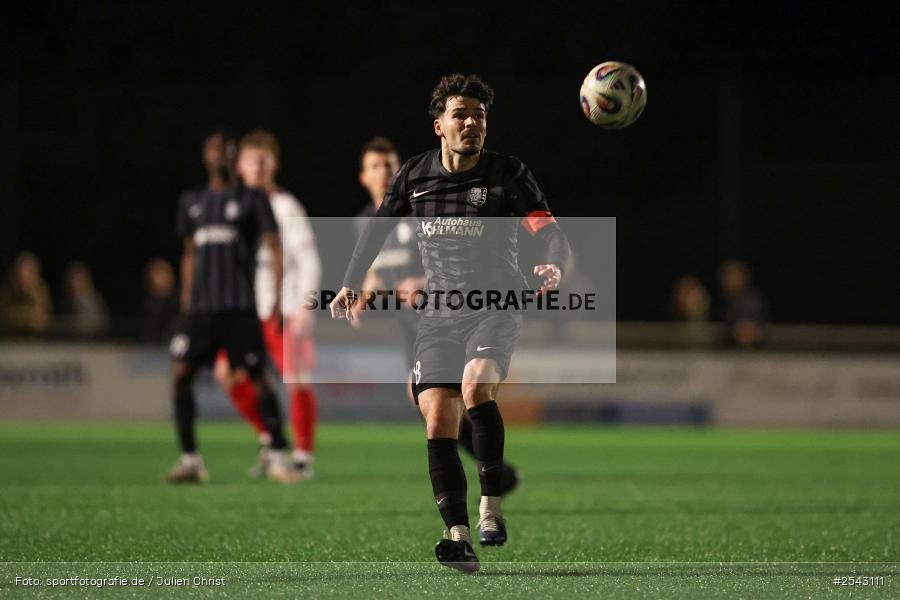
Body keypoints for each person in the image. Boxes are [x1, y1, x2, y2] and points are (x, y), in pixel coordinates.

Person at [331, 74, 570, 573]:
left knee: (475, 387)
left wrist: (552, 262)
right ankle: (456, 535)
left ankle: (491, 508)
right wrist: (351, 283)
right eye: (461, 115)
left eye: (479, 116)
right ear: (440, 125)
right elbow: (376, 229)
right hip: (438, 315)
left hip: (495, 304)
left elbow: (549, 230)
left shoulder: (508, 174)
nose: (472, 124)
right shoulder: (415, 176)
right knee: (438, 419)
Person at [354, 135, 520, 494]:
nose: (384, 173)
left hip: (449, 316)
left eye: (389, 165)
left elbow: (454, 254)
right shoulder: (367, 221)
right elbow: (379, 269)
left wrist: (423, 281)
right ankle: (495, 469)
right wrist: (364, 292)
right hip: (409, 326)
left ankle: (490, 475)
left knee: (449, 400)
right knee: (427, 405)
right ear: (363, 177)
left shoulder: (420, 208)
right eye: (375, 167)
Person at [166, 128, 297, 484]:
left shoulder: (253, 199)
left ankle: (276, 453)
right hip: (201, 311)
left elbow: (274, 246)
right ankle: (191, 459)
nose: (220, 155)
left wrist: (279, 300)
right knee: (180, 375)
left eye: (226, 150)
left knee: (258, 379)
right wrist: (185, 305)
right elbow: (189, 253)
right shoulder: (192, 201)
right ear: (205, 156)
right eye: (213, 149)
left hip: (239, 307)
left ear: (233, 157)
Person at [212, 130, 321, 479]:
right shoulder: (234, 207)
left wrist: (306, 305)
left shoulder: (286, 207)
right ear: (239, 167)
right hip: (247, 312)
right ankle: (271, 438)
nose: (257, 168)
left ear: (274, 165)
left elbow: (310, 260)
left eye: (263, 161)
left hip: (285, 309)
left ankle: (303, 458)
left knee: (296, 380)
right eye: (250, 161)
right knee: (224, 373)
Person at [718, 259, 768, 347]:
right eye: (726, 277)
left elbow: (752, 330)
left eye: (733, 276)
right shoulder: (726, 301)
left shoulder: (752, 302)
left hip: (755, 354)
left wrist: (746, 329)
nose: (728, 280)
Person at [0, 252, 52, 336]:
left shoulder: (39, 288)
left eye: (27, 273)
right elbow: (4, 316)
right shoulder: (7, 289)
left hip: (35, 340)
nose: (23, 277)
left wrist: (29, 292)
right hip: (9, 339)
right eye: (19, 273)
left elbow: (41, 320)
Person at [60, 261, 110, 337]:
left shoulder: (94, 299)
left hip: (94, 339)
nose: (75, 283)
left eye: (78, 278)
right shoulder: (68, 299)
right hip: (74, 339)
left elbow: (101, 323)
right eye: (73, 279)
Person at [140, 258, 180, 344]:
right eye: (157, 273)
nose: (162, 276)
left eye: (164, 271)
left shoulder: (180, 301)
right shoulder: (147, 304)